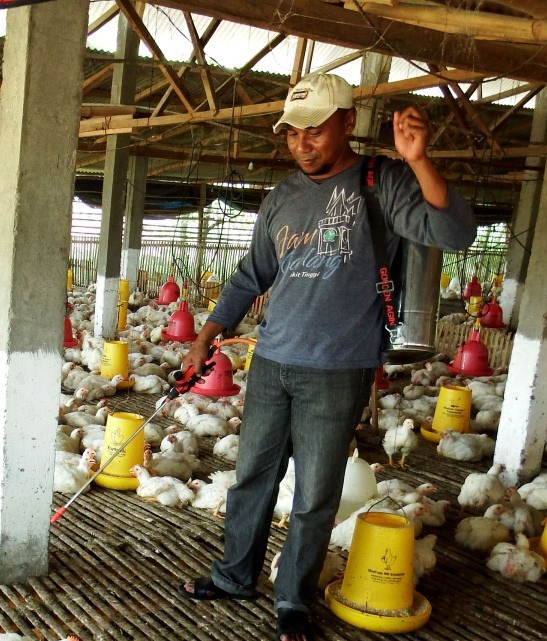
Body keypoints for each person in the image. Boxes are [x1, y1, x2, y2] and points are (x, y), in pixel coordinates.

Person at [175, 73, 476, 641]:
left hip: (339, 368)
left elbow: (454, 232)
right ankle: (236, 575)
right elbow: (251, 275)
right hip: (272, 360)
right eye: (292, 133)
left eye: (314, 130)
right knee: (250, 480)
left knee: (316, 494)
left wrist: (418, 160)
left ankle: (293, 598)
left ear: (346, 122)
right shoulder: (283, 196)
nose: (302, 143)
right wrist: (206, 335)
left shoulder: (382, 182)